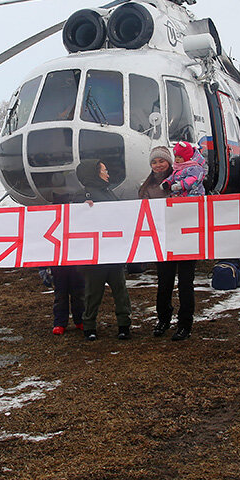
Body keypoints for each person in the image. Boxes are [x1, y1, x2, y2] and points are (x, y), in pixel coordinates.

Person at [140, 145, 196, 340]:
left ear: (170, 162)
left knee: (185, 283)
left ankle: (185, 324)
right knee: (164, 283)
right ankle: (163, 319)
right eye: (154, 162)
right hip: (163, 240)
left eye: (161, 161)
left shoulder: (183, 179)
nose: (158, 165)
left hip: (187, 237)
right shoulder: (147, 187)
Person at [76, 158, 132, 341]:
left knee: (117, 291)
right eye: (104, 171)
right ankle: (94, 325)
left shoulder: (108, 193)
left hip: (112, 252)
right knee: (97, 293)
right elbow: (74, 222)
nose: (107, 174)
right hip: (96, 256)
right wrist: (82, 211)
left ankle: (113, 325)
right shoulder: (81, 197)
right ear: (94, 174)